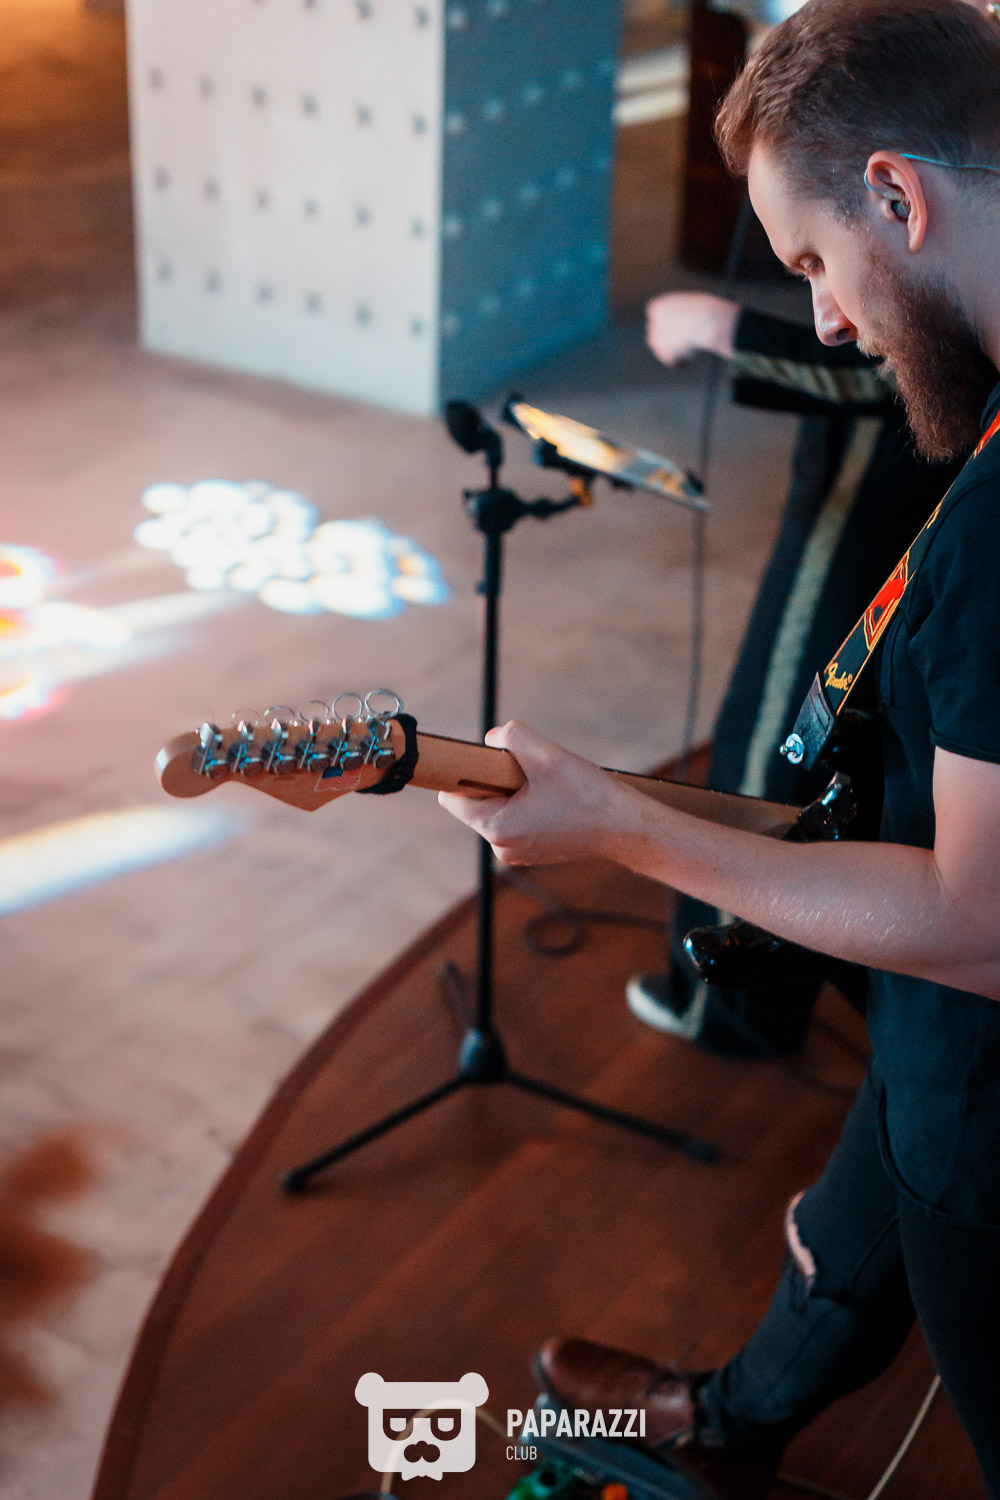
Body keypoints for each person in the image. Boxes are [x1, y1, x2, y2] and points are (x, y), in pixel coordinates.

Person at [438, 2, 1000, 1494]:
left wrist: (622, 831)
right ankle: (721, 1427)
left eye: (811, 261)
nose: (824, 320)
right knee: (840, 1240)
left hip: (982, 1086)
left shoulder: (995, 532)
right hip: (938, 1047)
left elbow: (975, 916)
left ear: (898, 195)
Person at [631, 291, 964, 1057]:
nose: (826, 313)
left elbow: (891, 373)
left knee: (771, 760)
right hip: (905, 521)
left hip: (868, 528)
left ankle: (728, 1010)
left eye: (813, 261)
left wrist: (725, 329)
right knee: (833, 763)